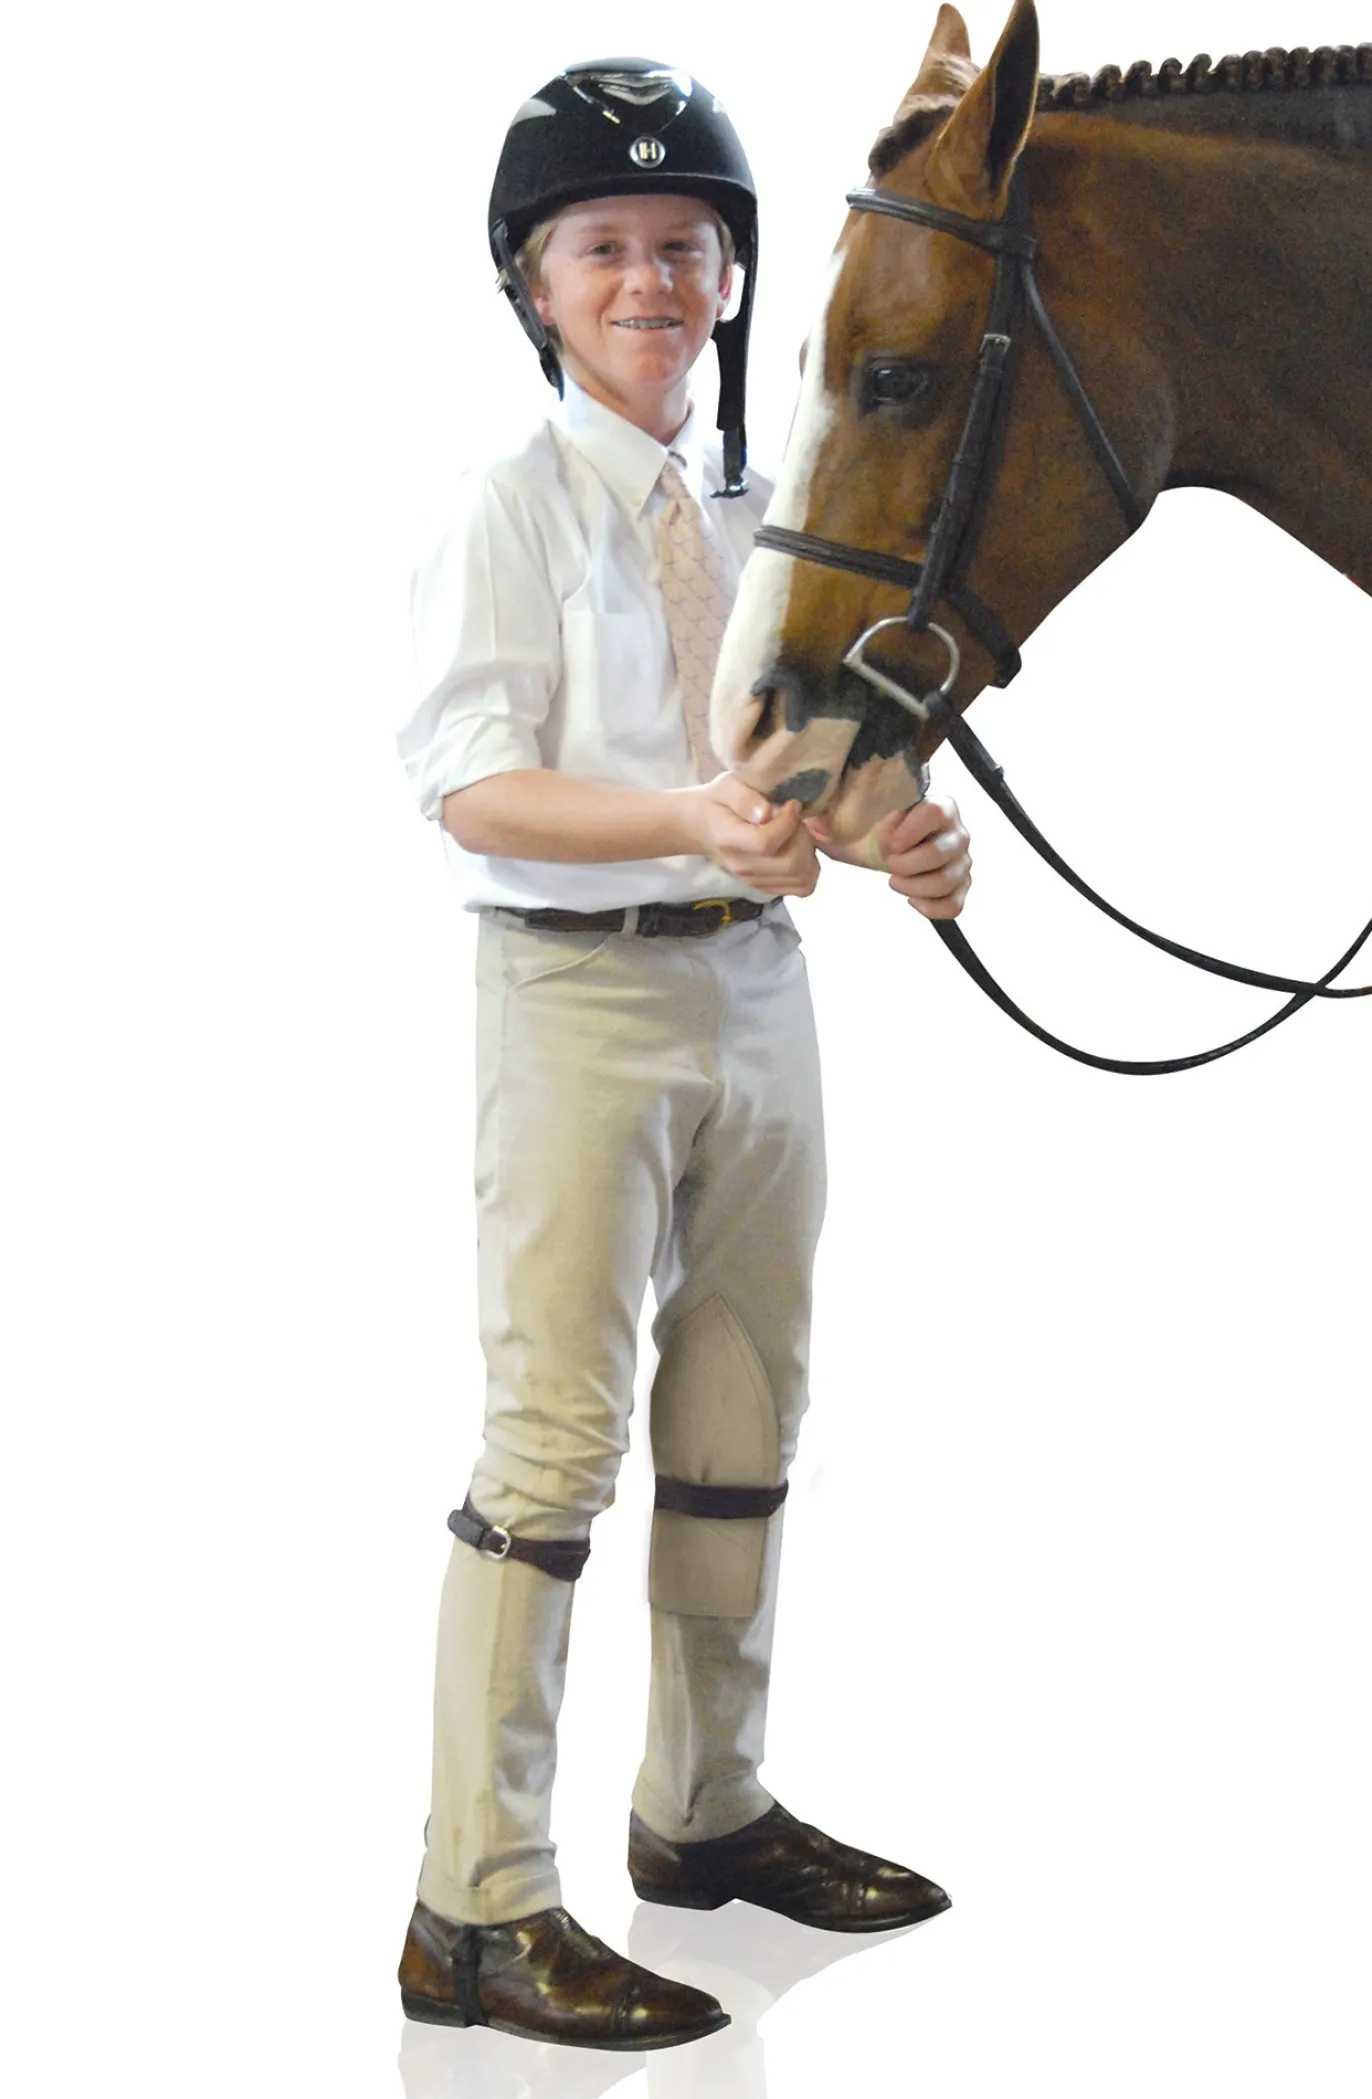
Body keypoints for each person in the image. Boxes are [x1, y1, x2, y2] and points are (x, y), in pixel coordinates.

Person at [395, 58, 973, 2053]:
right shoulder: (511, 510)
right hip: (579, 1000)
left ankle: (706, 1804)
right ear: (536, 284)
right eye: (606, 247)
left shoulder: (764, 510)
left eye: (685, 245)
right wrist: (681, 824)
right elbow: (471, 785)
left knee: (742, 1410)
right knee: (554, 1439)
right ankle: (476, 1899)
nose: (652, 279)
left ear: (733, 274)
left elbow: (793, 760)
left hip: (753, 988)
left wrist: (891, 833)